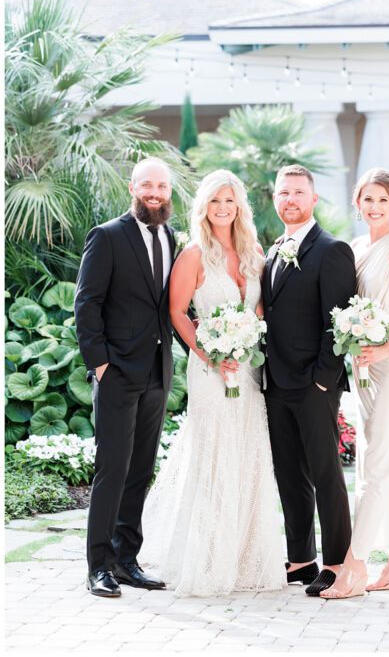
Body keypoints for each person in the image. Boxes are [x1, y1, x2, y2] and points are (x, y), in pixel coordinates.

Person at [139, 170, 285, 595]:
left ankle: (244, 556)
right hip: (208, 371)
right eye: (216, 201)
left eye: (230, 200)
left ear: (239, 205)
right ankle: (205, 557)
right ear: (204, 207)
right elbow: (178, 311)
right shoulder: (193, 254)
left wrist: (244, 344)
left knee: (247, 451)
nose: (223, 208)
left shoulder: (254, 251)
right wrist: (210, 353)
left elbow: (259, 309)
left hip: (248, 369)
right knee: (214, 454)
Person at [320, 169, 389, 600]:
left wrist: (385, 350)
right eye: (367, 199)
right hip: (364, 368)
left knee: (376, 466)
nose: (374, 207)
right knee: (388, 461)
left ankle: (354, 567)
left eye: (382, 200)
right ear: (357, 203)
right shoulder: (353, 249)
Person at [74, 157, 178, 597]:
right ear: (132, 188)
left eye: (161, 187)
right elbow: (87, 303)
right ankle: (98, 565)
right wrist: (100, 364)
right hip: (117, 372)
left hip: (157, 371)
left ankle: (126, 559)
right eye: (146, 186)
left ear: (169, 192)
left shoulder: (171, 236)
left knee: (139, 471)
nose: (153, 193)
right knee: (112, 470)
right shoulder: (108, 236)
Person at [262, 165, 357, 597]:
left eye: (299, 192)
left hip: (313, 384)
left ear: (313, 199)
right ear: (275, 199)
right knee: (289, 474)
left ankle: (336, 562)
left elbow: (339, 323)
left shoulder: (332, 250)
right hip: (276, 382)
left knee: (325, 473)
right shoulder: (273, 249)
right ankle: (301, 559)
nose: (291, 200)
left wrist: (323, 381)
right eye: (284, 193)